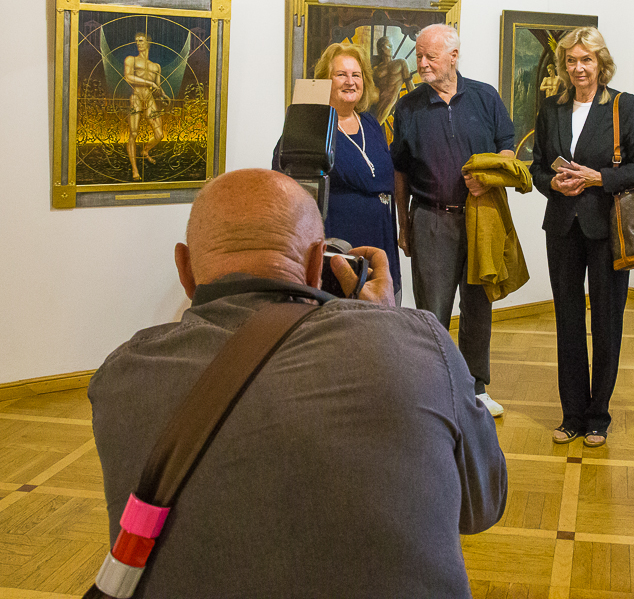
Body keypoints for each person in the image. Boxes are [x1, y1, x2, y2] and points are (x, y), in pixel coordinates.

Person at [89, 169, 507, 597]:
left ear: (185, 269)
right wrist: (386, 321)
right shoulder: (421, 342)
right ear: (315, 265)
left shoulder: (120, 377)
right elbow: (481, 507)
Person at [529, 27, 634, 447]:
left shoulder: (624, 106)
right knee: (567, 322)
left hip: (608, 229)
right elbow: (535, 168)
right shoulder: (551, 109)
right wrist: (554, 184)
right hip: (562, 227)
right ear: (563, 66)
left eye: (586, 60)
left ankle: (598, 416)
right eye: (571, 61)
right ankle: (572, 415)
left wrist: (600, 177)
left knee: (606, 322)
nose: (578, 68)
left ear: (601, 62)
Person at [391, 23, 515, 417]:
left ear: (454, 57)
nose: (422, 64)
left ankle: (476, 387)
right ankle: (436, 388)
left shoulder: (485, 97)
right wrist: (404, 224)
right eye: (418, 56)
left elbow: (508, 152)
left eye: (430, 56)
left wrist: (489, 179)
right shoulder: (407, 107)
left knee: (479, 304)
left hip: (481, 220)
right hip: (430, 219)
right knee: (432, 312)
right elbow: (400, 173)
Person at [277, 41, 403, 300]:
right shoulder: (309, 127)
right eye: (341, 74)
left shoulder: (369, 122)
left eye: (356, 75)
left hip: (380, 239)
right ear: (325, 80)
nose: (350, 81)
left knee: (381, 326)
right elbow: (288, 191)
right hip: (338, 247)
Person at [123, 32, 167, 180]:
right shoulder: (131, 60)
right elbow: (128, 77)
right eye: (137, 41)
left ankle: (145, 150)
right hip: (136, 98)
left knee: (159, 135)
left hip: (149, 100)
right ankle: (135, 170)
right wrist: (149, 83)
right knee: (133, 134)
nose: (138, 43)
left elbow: (158, 86)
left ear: (148, 42)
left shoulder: (156, 66)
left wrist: (163, 95)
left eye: (141, 41)